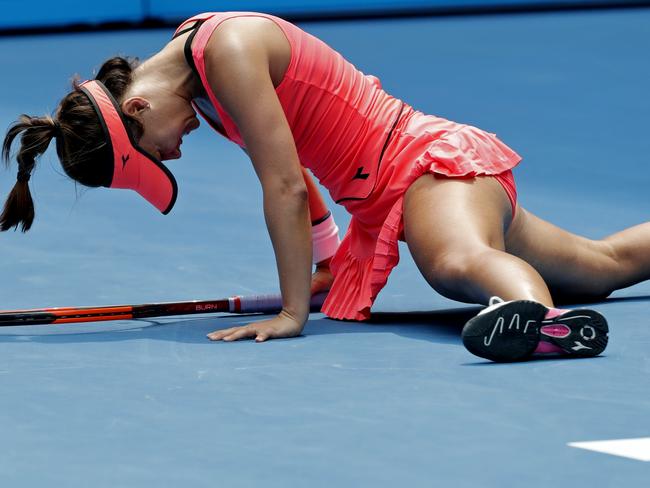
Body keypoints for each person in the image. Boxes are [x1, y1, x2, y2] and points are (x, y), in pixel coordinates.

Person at [2, 12, 648, 362]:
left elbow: (281, 184)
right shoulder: (197, 75)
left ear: (137, 111)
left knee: (453, 266)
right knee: (602, 265)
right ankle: (541, 304)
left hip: (426, 168)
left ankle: (540, 322)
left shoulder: (225, 52)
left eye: (157, 153)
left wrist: (291, 312)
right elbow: (302, 172)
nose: (175, 153)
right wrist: (326, 265)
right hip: (408, 184)